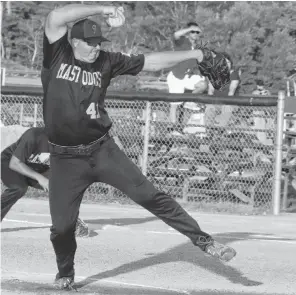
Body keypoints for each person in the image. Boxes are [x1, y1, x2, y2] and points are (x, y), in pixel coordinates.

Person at [41, 4, 235, 290]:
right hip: (65, 159)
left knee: (150, 196)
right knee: (62, 228)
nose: (96, 48)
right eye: (90, 43)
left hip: (101, 151)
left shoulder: (107, 61)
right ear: (74, 41)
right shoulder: (57, 54)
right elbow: (55, 17)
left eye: (99, 43)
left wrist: (198, 54)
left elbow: (151, 61)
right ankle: (65, 273)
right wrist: (104, 8)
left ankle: (204, 241)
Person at [1, 127, 89, 237]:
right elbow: (15, 163)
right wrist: (40, 178)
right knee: (19, 188)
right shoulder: (34, 135)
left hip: (38, 167)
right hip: (10, 163)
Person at [167, 22, 208, 133]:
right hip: (176, 76)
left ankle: (189, 101)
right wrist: (189, 29)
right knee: (175, 105)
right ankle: (173, 129)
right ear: (188, 33)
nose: (195, 34)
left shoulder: (198, 47)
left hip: (188, 76)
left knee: (203, 84)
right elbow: (175, 35)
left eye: (197, 32)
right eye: (192, 32)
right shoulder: (182, 42)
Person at [205, 53, 241, 132]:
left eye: (228, 63)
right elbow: (210, 90)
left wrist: (227, 103)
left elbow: (231, 91)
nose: (227, 65)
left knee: (226, 110)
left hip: (229, 102)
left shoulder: (234, 74)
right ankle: (208, 132)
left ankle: (220, 131)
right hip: (215, 102)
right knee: (209, 110)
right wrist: (209, 103)